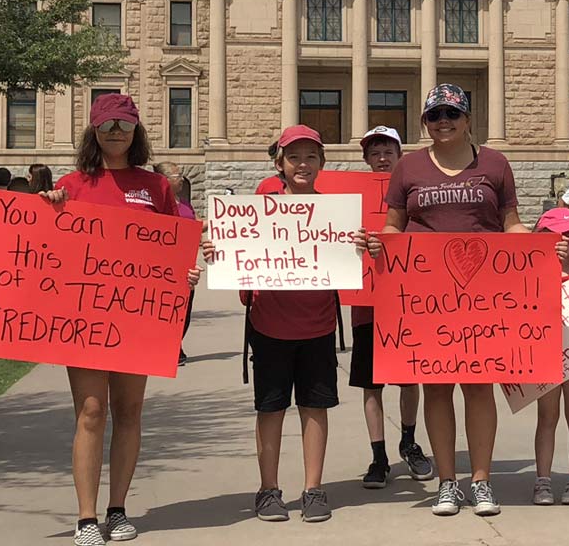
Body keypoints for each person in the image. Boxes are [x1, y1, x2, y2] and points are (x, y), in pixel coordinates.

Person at [39, 93, 199, 546]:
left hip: (138, 320)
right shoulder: (70, 185)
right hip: (85, 318)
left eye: (123, 125)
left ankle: (117, 509)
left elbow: (176, 246)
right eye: (107, 124)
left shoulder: (157, 188)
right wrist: (48, 209)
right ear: (94, 130)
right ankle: (86, 517)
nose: (115, 132)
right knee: (91, 412)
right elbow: (48, 249)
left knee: (129, 412)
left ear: (136, 131)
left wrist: (186, 273)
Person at [206, 122, 377, 524]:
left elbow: (352, 263)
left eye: (311, 156)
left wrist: (361, 246)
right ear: (279, 164)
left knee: (315, 408)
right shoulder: (256, 211)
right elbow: (231, 257)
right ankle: (268, 489)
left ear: (321, 162)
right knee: (270, 409)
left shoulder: (336, 214)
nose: (303, 164)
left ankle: (314, 489)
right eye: (294, 157)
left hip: (318, 326)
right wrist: (217, 250)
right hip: (268, 326)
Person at [381, 80, 526, 517]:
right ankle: (447, 482)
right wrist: (378, 245)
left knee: (479, 387)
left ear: (467, 120)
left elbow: (511, 224)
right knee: (437, 388)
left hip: (483, 296)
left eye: (451, 114)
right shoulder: (408, 168)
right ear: (425, 122)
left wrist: (537, 244)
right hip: (426, 297)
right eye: (434, 116)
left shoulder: (496, 164)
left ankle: (480, 480)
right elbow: (394, 225)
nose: (442, 122)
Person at [351, 125, 432, 489]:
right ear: (366, 158)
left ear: (400, 156)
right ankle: (378, 455)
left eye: (388, 151)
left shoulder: (415, 196)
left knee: (408, 378)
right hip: (366, 305)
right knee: (371, 385)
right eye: (375, 152)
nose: (381, 157)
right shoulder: (349, 198)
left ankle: (409, 441)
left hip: (406, 304)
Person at [529, 210, 569, 505]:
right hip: (544, 353)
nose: (568, 239)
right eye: (560, 234)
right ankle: (543, 480)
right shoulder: (533, 267)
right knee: (547, 417)